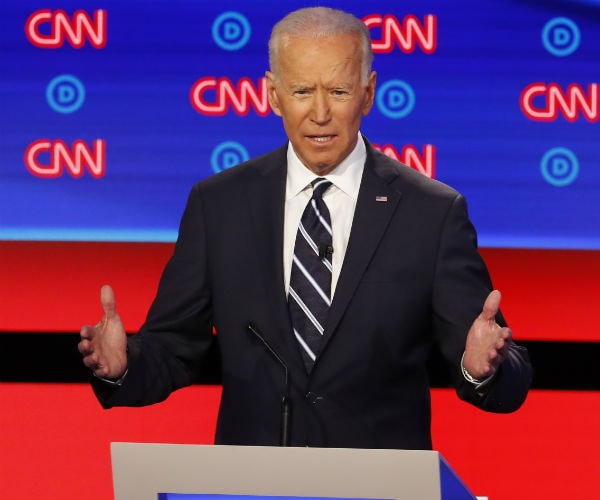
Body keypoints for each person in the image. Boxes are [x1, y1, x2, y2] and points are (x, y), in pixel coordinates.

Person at [79, 6, 532, 449]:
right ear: (272, 94)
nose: (320, 113)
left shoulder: (431, 213)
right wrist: (121, 366)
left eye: (337, 91)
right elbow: (172, 349)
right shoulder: (218, 204)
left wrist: (484, 369)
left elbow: (506, 373)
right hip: (254, 485)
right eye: (301, 92)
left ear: (368, 93)